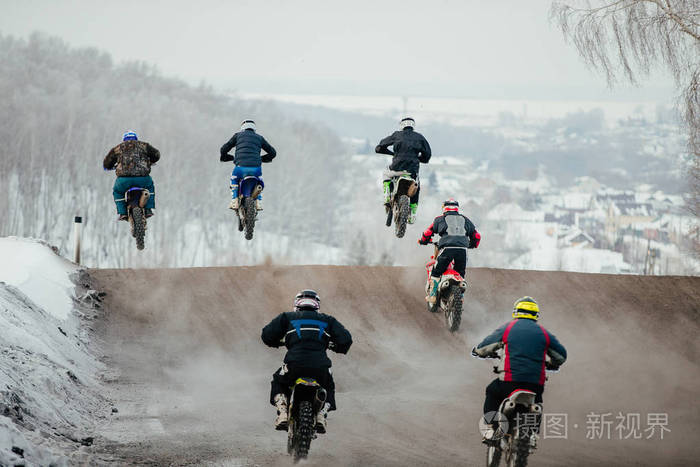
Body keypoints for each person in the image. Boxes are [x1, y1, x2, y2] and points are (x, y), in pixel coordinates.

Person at [472, 297, 567, 445]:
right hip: (535, 385)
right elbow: (561, 356)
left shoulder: (508, 328)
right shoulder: (544, 333)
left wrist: (477, 352)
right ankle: (533, 434)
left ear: (516, 312)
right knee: (537, 403)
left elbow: (485, 347)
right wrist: (552, 364)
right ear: (536, 315)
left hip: (509, 382)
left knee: (492, 391)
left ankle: (491, 428)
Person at [261, 290, 352, 433]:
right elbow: (346, 339)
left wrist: (276, 342)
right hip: (320, 367)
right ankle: (322, 414)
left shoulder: (287, 317)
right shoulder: (328, 320)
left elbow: (267, 335)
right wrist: (336, 347)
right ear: (317, 305)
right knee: (329, 385)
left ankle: (283, 412)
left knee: (278, 380)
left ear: (297, 304)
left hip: (294, 364)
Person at [418, 198, 480, 303]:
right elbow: (477, 236)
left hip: (447, 248)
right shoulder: (465, 219)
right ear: (457, 208)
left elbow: (428, 232)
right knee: (460, 274)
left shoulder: (439, 219)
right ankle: (460, 297)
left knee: (436, 272)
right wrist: (472, 245)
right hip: (462, 250)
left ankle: (432, 296)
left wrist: (423, 241)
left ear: (444, 208)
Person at [375, 117, 431, 223]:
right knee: (416, 187)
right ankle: (413, 213)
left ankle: (387, 195)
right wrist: (420, 159)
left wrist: (390, 152)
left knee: (386, 174)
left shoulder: (397, 135)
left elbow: (382, 144)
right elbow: (427, 154)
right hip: (412, 171)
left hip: (396, 167)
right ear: (413, 126)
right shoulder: (420, 137)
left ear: (402, 125)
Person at [220, 119, 276, 211]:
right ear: (254, 129)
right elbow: (273, 153)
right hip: (256, 169)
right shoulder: (259, 138)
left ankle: (234, 200)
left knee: (234, 178)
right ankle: (259, 201)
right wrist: (262, 159)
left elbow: (223, 149)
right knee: (259, 180)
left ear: (242, 128)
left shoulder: (237, 136)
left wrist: (226, 157)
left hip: (240, 168)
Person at [103, 131, 160, 221]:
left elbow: (107, 163)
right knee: (150, 187)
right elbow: (156, 155)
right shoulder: (144, 146)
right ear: (136, 139)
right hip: (142, 179)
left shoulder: (118, 148)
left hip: (124, 180)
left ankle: (122, 213)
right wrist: (150, 160)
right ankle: (148, 209)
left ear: (124, 140)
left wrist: (108, 166)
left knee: (118, 192)